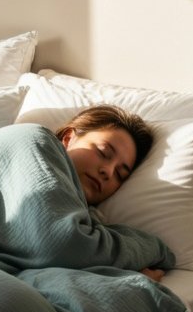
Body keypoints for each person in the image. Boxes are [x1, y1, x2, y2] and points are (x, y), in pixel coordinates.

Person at [55, 104, 164, 281]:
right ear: (68, 139)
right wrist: (158, 250)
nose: (108, 171)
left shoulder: (90, 226)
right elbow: (63, 244)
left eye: (120, 175)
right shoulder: (31, 142)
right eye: (103, 152)